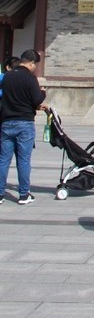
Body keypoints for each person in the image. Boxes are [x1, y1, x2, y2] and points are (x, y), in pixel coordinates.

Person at [0, 50, 47, 205]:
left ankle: (0, 194)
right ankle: (23, 194)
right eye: (35, 65)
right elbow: (36, 100)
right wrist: (42, 93)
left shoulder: (7, 77)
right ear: (31, 63)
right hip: (24, 123)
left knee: (3, 160)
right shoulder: (30, 78)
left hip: (6, 122)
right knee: (23, 160)